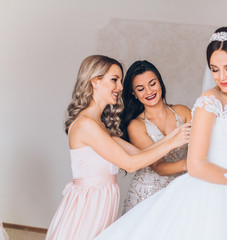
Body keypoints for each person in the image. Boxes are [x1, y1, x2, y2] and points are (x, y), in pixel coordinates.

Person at [95, 28, 227, 240]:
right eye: (214, 69)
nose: (221, 77)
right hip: (208, 191)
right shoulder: (208, 102)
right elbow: (196, 164)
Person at [45, 55, 190, 240]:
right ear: (95, 82)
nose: (120, 87)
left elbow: (142, 154)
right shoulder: (85, 125)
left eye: (120, 81)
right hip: (88, 208)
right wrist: (173, 141)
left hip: (101, 204)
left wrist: (174, 136)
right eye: (114, 80)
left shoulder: (99, 125)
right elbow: (130, 164)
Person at [119, 60, 191, 214]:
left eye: (152, 84)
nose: (149, 91)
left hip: (182, 189)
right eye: (140, 89)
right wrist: (190, 164)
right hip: (148, 194)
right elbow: (159, 167)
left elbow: (203, 144)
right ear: (134, 93)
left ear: (160, 82)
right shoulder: (136, 125)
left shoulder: (183, 112)